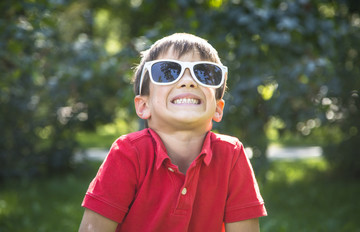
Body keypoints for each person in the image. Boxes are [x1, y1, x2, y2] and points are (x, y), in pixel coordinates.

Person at [79, 33, 267, 232]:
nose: (188, 82)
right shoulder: (128, 152)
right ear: (144, 105)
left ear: (218, 108)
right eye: (167, 72)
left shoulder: (231, 154)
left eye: (204, 73)